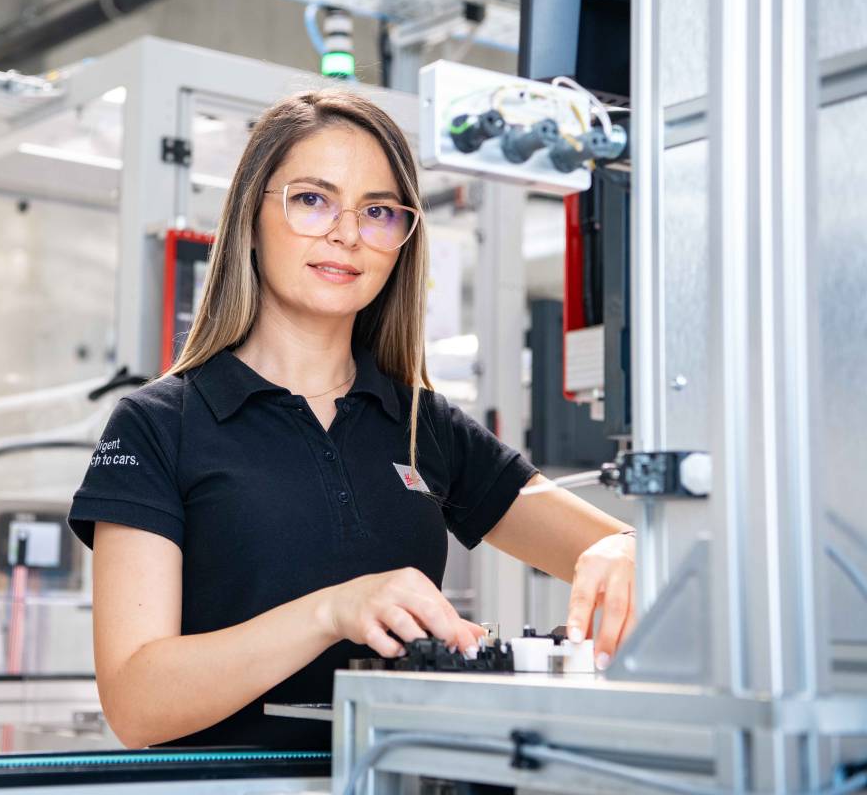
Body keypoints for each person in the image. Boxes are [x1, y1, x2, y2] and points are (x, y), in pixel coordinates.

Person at [67, 89, 635, 751]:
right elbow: (137, 703)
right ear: (252, 215)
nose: (346, 233)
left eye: (378, 212)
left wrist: (626, 548)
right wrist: (334, 611)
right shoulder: (159, 426)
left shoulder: (422, 423)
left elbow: (615, 547)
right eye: (312, 200)